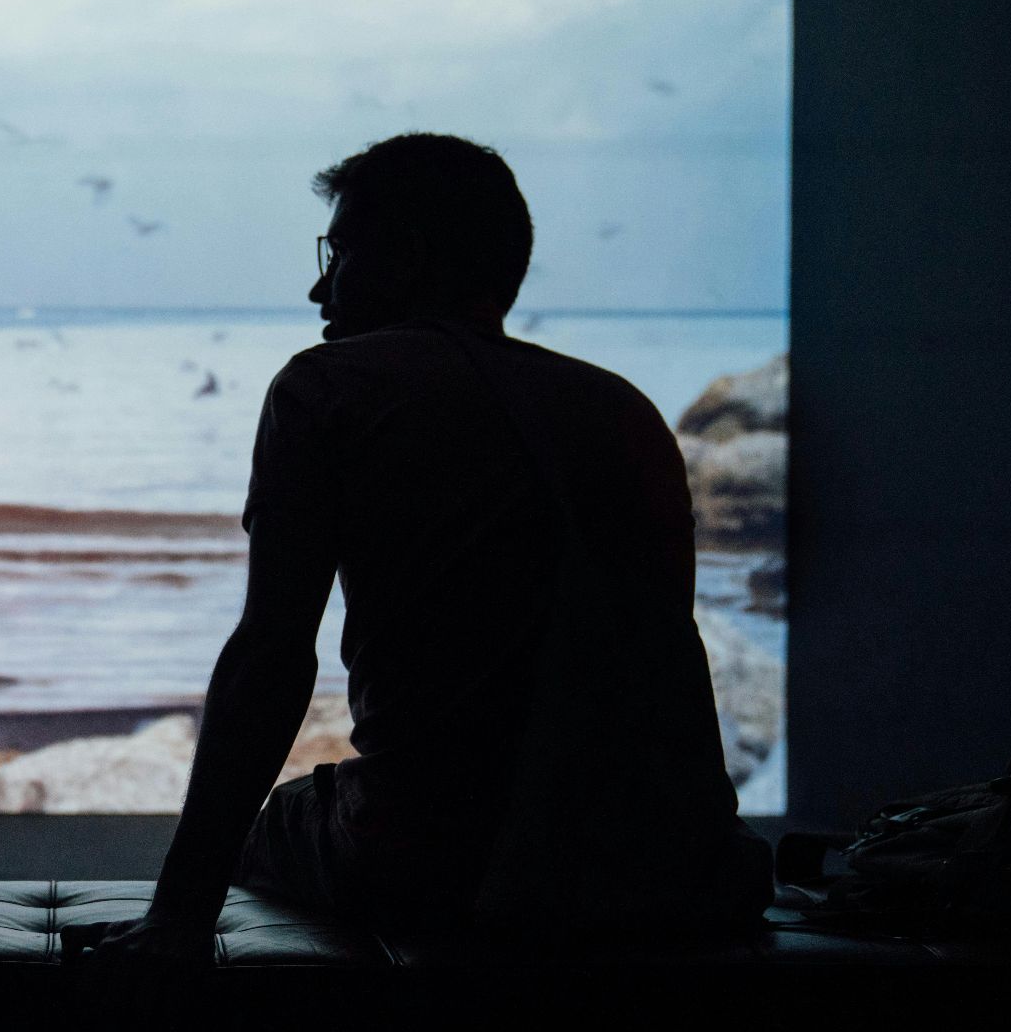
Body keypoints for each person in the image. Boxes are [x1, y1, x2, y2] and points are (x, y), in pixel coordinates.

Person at [63, 133, 772, 964]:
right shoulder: (624, 409)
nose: (318, 285)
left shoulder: (327, 387)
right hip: (674, 864)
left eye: (341, 252)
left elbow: (272, 653)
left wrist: (180, 917)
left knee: (279, 828)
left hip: (444, 860)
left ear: (405, 257)